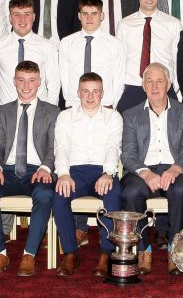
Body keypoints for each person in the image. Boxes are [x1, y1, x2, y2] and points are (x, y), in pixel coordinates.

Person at [0, 61, 59, 276]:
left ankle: (29, 254)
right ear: (14, 82)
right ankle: (0, 253)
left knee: (44, 194)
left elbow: (54, 146)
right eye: (21, 80)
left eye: (31, 80)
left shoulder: (52, 111)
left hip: (37, 170)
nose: (26, 86)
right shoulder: (3, 111)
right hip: (7, 171)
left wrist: (45, 167)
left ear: (39, 82)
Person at [120, 62, 183, 276]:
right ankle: (144, 249)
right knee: (131, 192)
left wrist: (175, 169)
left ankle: (175, 248)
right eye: (149, 81)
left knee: (181, 190)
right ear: (143, 86)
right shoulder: (131, 115)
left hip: (176, 168)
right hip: (143, 169)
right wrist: (145, 172)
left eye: (159, 81)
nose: (154, 86)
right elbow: (127, 153)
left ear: (169, 84)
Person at [52, 72, 123, 277]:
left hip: (103, 170)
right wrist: (63, 174)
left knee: (113, 195)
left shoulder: (113, 117)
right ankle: (71, 253)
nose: (90, 96)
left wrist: (108, 173)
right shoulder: (65, 116)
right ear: (78, 93)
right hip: (73, 171)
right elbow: (61, 148)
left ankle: (106, 253)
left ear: (102, 94)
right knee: (59, 196)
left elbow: (113, 147)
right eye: (85, 91)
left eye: (95, 92)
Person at [116, 0, 182, 112]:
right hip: (133, 87)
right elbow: (119, 60)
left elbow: (177, 59)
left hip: (163, 88)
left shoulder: (173, 24)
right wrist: (120, 89)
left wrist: (173, 86)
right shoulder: (124, 25)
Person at [0, 0, 60, 107]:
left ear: (34, 17)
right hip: (6, 110)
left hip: (38, 112)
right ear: (10, 18)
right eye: (17, 15)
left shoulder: (47, 46)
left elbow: (54, 82)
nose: (22, 19)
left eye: (27, 14)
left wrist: (48, 110)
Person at [59, 0, 125, 109]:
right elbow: (64, 77)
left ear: (102, 16)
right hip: (74, 104)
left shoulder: (114, 44)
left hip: (104, 104)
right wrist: (70, 101)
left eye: (94, 14)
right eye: (85, 14)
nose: (89, 18)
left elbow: (119, 78)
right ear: (79, 16)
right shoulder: (66, 43)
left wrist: (111, 104)